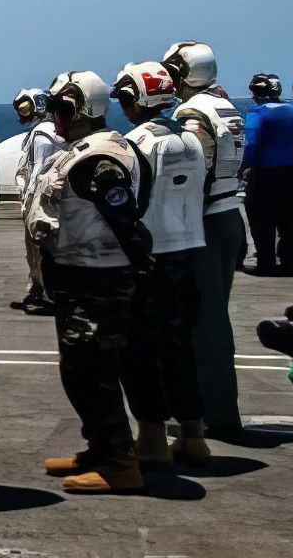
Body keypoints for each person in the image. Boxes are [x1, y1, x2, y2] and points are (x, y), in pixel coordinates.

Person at [24, 71, 152, 493]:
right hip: (77, 276)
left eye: (61, 109)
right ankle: (99, 447)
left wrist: (137, 276)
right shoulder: (87, 150)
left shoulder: (98, 160)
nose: (54, 117)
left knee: (92, 372)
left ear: (81, 110)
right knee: (79, 369)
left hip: (97, 280)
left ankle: (119, 462)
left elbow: (127, 223)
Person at [111, 62, 211, 466]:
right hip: (188, 249)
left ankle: (150, 438)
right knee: (180, 347)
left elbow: (129, 202)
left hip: (150, 256)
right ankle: (193, 434)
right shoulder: (190, 140)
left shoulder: (135, 143)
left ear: (135, 99)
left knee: (138, 352)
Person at [162, 40, 248, 438]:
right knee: (212, 320)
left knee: (203, 325)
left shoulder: (192, 112)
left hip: (204, 221)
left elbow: (192, 167)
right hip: (229, 214)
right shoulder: (226, 105)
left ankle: (215, 415)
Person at [242, 72, 293, 275]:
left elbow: (251, 144)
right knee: (288, 219)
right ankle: (290, 262)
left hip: (265, 172)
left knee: (262, 219)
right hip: (290, 170)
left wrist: (245, 166)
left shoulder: (258, 113)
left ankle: (266, 263)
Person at [11, 87, 62, 315]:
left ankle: (43, 288)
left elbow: (37, 170)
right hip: (55, 199)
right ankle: (41, 286)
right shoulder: (56, 130)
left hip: (39, 199)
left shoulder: (43, 133)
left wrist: (28, 203)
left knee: (36, 248)